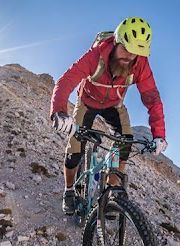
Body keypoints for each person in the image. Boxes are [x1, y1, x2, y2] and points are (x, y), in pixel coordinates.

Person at [49, 16, 167, 215]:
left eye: (136, 53)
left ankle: (112, 193)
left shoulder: (140, 64)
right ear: (116, 42)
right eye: (126, 49)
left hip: (114, 106)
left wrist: (159, 135)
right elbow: (67, 80)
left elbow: (152, 99)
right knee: (74, 151)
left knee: (125, 144)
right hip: (87, 102)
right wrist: (60, 112)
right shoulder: (96, 55)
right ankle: (69, 191)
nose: (130, 57)